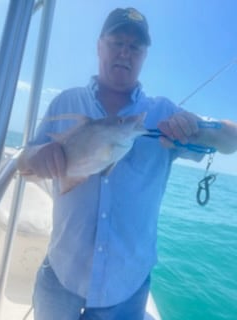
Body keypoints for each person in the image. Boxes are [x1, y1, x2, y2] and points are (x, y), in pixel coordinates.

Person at [17, 7, 237, 320]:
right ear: (99, 46)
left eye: (135, 47)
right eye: (116, 41)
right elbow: (24, 161)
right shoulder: (66, 101)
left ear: (145, 55)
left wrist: (197, 128)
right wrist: (37, 156)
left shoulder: (162, 112)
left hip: (126, 292)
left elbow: (231, 139)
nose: (125, 52)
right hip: (60, 278)